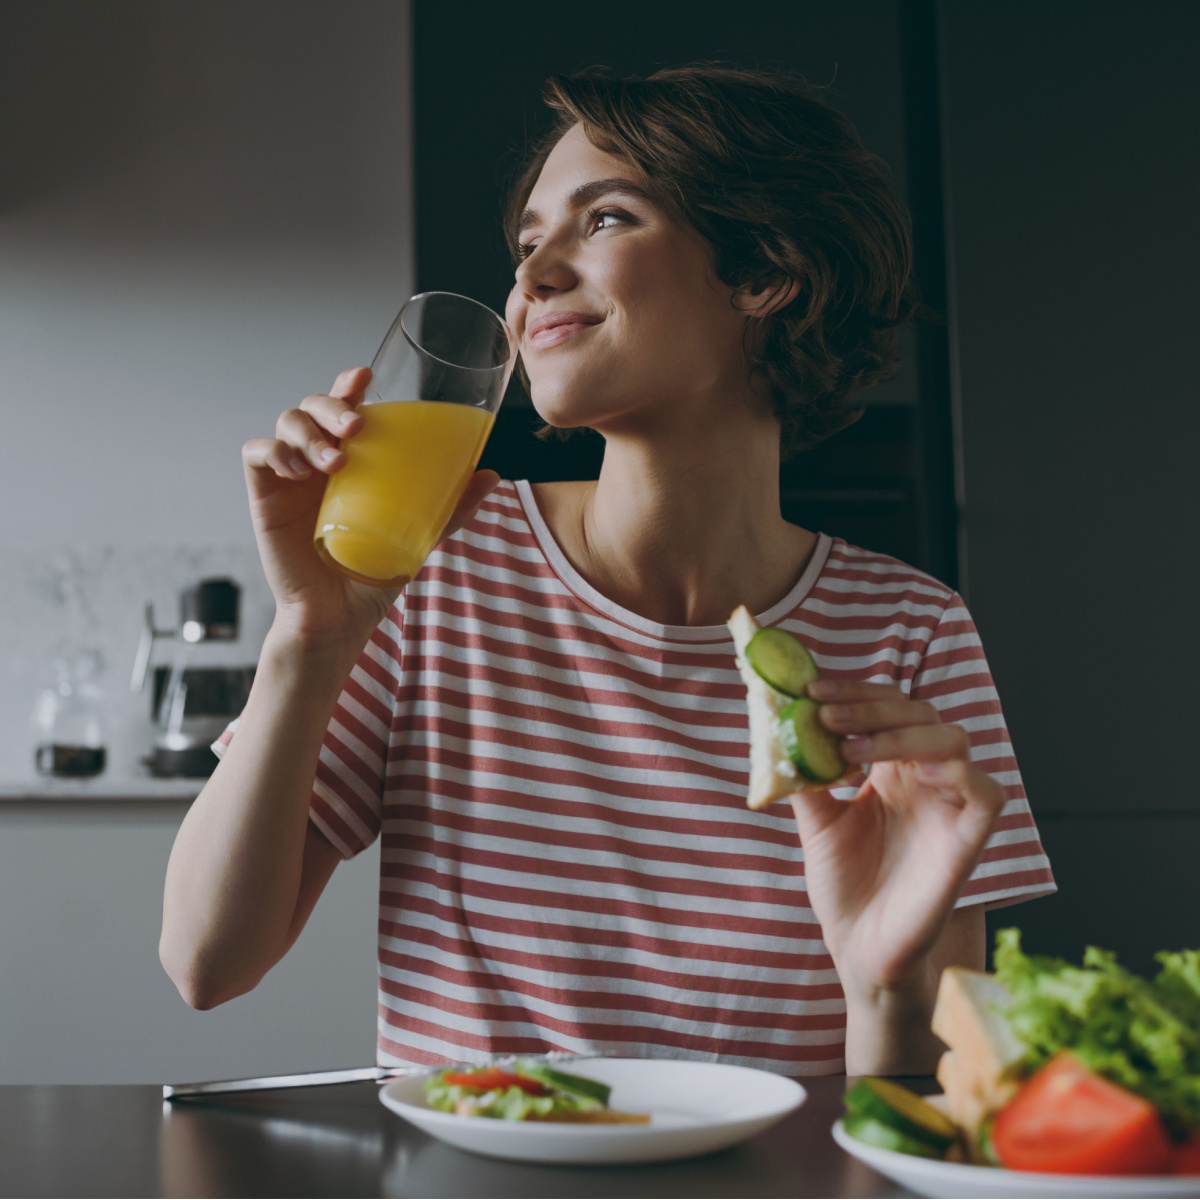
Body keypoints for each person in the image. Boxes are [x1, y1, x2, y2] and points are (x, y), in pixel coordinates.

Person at [160, 67, 1054, 1077]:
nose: (533, 274)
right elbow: (206, 962)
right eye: (528, 240)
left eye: (607, 219)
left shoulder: (914, 631)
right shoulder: (437, 564)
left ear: (764, 270)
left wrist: (882, 992)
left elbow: (943, 1099)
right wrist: (307, 640)